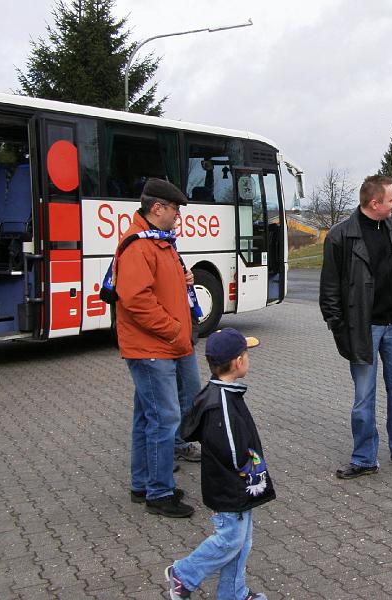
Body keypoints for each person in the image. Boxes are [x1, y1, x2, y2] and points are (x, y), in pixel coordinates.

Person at [319, 174, 392, 479]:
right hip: (363, 328)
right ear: (374, 203)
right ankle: (364, 457)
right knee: (364, 397)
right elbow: (329, 290)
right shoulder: (340, 236)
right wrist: (340, 329)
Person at [165, 328, 274, 600]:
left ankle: (233, 594)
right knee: (230, 540)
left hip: (235, 487)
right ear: (238, 362)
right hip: (230, 488)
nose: (248, 359)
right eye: (247, 354)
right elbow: (233, 452)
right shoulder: (221, 402)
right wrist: (249, 467)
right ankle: (183, 574)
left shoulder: (223, 391)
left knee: (241, 542)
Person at [117, 178, 199, 518]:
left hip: (158, 346)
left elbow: (159, 288)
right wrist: (174, 330)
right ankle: (159, 493)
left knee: (146, 418)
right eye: (175, 210)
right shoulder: (140, 245)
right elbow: (136, 299)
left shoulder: (159, 242)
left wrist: (184, 280)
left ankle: (143, 484)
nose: (178, 216)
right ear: (157, 208)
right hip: (153, 348)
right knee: (165, 419)